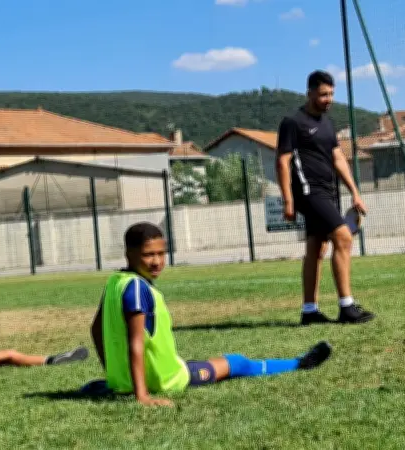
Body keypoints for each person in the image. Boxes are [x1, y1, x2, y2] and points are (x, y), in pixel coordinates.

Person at [89, 222, 333, 407]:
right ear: (129, 255)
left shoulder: (114, 282)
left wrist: (115, 376)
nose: (156, 261)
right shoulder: (137, 288)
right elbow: (136, 344)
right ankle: (300, 363)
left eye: (161, 253)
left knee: (200, 362)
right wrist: (142, 395)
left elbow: (95, 329)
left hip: (126, 381)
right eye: (148, 254)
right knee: (237, 362)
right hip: (167, 380)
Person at [275, 69, 375, 326]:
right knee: (342, 236)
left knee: (317, 248)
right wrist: (288, 199)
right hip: (308, 192)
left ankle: (309, 311)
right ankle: (347, 307)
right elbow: (283, 162)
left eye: (331, 94)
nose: (328, 99)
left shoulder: (328, 124)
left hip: (329, 192)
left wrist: (354, 192)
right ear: (309, 93)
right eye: (323, 94)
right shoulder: (293, 122)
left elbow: (338, 158)